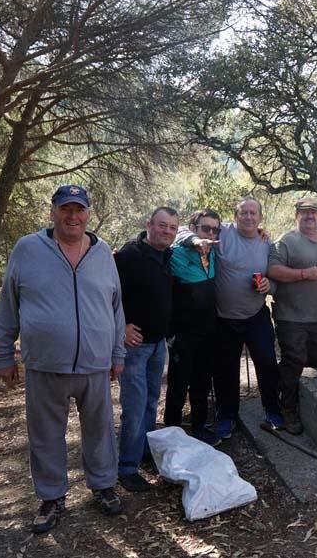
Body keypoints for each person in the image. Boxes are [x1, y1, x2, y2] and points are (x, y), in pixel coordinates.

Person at [0, 184, 125, 532]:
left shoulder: (101, 253)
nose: (73, 216)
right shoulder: (27, 249)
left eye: (79, 209)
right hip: (44, 364)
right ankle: (51, 496)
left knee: (100, 432)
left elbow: (116, 309)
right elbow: (8, 304)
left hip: (95, 364)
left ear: (88, 213)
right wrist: (3, 353)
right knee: (45, 434)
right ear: (52, 211)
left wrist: (117, 352)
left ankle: (103, 486)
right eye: (65, 208)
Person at [268, 197, 317, 434]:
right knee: (293, 363)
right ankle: (287, 410)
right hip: (292, 317)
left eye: (314, 213)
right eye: (305, 213)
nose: (310, 216)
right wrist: (303, 273)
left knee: (312, 365)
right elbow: (272, 270)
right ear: (297, 215)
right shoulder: (286, 241)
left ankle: (307, 406)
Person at [115, 206, 178, 492]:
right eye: (162, 226)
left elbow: (192, 235)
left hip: (158, 344)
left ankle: (143, 452)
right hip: (135, 346)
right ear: (149, 224)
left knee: (152, 400)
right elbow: (107, 295)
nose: (166, 231)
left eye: (171, 228)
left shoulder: (169, 255)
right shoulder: (129, 256)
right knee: (135, 405)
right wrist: (122, 327)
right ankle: (126, 467)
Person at [210, 197, 283, 440]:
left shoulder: (266, 242)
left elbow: (274, 279)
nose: (249, 217)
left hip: (256, 316)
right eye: (244, 213)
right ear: (235, 215)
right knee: (225, 369)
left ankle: (272, 410)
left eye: (253, 213)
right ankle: (227, 416)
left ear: (261, 218)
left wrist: (268, 287)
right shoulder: (221, 233)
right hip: (224, 318)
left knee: (267, 363)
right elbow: (184, 230)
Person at [163, 209, 222, 447]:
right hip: (182, 332)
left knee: (202, 382)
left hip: (208, 332)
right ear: (193, 227)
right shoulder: (174, 253)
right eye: (205, 228)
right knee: (178, 384)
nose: (210, 233)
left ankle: (200, 427)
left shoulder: (213, 252)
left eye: (214, 229)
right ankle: (171, 432)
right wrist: (194, 239)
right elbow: (177, 235)